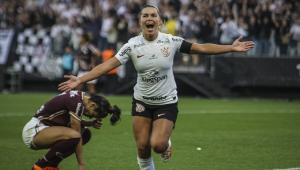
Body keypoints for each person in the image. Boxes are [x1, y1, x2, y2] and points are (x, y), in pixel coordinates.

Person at [58, 4, 254, 170]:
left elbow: (201, 48)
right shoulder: (132, 45)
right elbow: (106, 66)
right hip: (142, 101)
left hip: (166, 102)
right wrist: (80, 80)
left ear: (159, 21)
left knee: (158, 145)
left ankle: (167, 144)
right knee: (142, 148)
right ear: (141, 22)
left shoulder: (170, 41)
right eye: (145, 16)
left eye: (153, 15)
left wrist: (230, 47)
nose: (149, 18)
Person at [22, 90, 121, 170]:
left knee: (85, 134)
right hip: (34, 131)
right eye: (93, 115)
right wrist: (81, 164)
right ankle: (40, 166)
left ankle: (51, 165)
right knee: (76, 136)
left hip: (46, 128)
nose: (90, 117)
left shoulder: (79, 99)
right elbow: (75, 134)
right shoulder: (77, 104)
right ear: (93, 105)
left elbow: (73, 124)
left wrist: (90, 123)